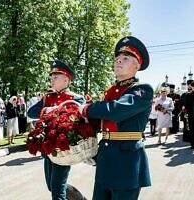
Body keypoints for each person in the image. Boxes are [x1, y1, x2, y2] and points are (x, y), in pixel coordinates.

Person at [80, 36, 153, 200]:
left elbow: (116, 111)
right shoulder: (109, 92)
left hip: (127, 162)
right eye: (117, 58)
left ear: (137, 65)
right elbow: (99, 120)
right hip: (106, 157)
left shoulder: (142, 90)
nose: (119, 61)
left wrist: (86, 109)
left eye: (125, 58)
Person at [27, 60, 85, 200]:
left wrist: (59, 109)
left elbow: (80, 119)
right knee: (52, 186)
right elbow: (30, 112)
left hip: (63, 148)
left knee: (57, 191)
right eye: (51, 77)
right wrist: (47, 109)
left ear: (66, 79)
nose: (51, 79)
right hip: (48, 147)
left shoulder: (76, 98)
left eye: (55, 77)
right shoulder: (48, 97)